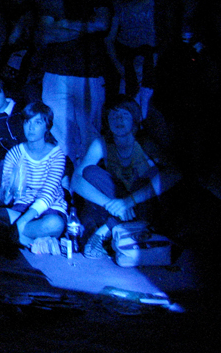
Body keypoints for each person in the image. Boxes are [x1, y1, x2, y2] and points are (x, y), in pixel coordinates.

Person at [71, 96, 180, 258]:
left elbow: (175, 173)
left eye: (125, 115)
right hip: (119, 207)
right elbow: (76, 180)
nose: (118, 119)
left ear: (135, 120)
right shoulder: (101, 144)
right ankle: (117, 227)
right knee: (90, 172)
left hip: (145, 207)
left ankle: (108, 228)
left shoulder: (145, 143)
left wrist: (128, 202)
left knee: (144, 179)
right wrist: (111, 204)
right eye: (113, 115)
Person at [36, 0, 111, 163]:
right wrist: (87, 27)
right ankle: (68, 183)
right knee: (60, 134)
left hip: (90, 72)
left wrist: (65, 23)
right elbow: (46, 35)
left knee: (90, 132)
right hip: (56, 72)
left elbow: (103, 24)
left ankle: (91, 182)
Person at [0, 102, 67, 250]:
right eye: (27, 122)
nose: (31, 127)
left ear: (47, 127)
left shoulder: (56, 155)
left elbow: (47, 196)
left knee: (55, 224)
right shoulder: (14, 153)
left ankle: (13, 235)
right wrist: (8, 191)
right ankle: (23, 239)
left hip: (47, 211)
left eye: (37, 122)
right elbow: (6, 195)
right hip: (20, 209)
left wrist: (21, 223)